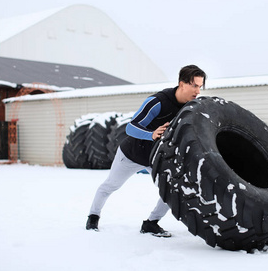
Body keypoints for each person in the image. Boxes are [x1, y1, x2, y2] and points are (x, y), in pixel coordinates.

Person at [86, 65, 207, 237]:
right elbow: (130, 127)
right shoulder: (158, 102)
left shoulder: (190, 107)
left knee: (170, 191)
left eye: (200, 86)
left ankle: (151, 223)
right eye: (194, 86)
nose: (198, 91)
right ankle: (93, 216)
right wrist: (151, 134)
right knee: (110, 185)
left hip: (156, 158)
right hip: (131, 154)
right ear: (182, 84)